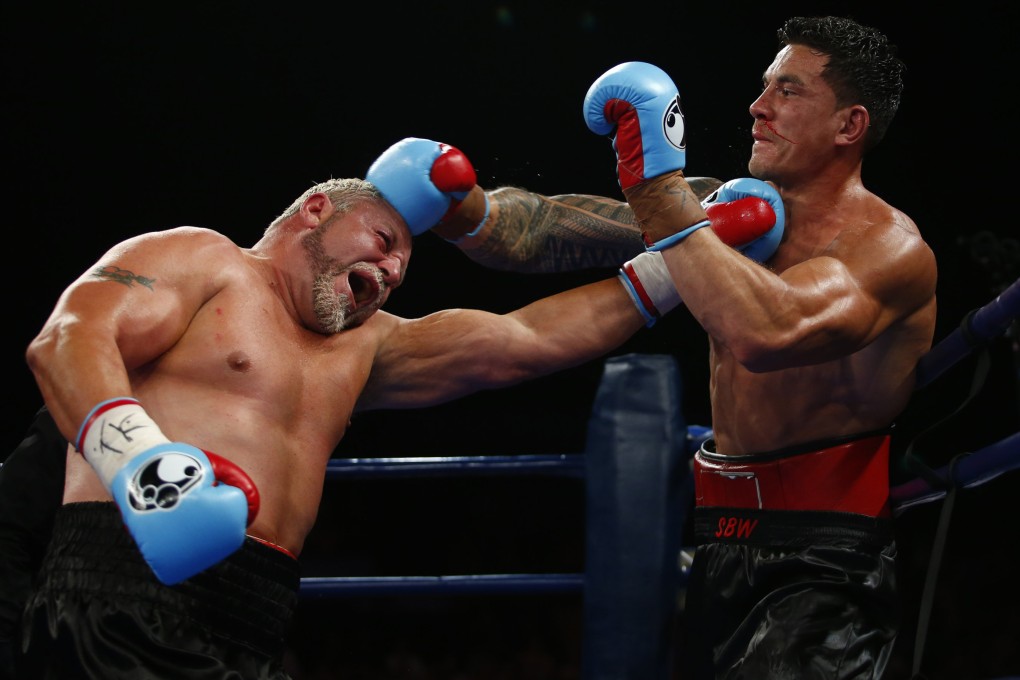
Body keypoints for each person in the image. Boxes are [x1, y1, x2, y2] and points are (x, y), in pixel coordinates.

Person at [12, 134, 778, 678]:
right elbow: (69, 338)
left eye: (400, 268)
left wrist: (683, 261)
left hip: (253, 611)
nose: (387, 270)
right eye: (380, 242)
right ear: (315, 210)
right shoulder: (205, 262)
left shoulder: (366, 347)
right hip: (124, 580)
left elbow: (525, 338)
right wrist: (139, 466)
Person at [438, 16, 937, 680]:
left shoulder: (888, 249)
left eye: (788, 91)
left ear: (849, 126)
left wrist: (662, 195)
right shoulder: (723, 212)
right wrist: (453, 205)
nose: (758, 107)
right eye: (765, 87)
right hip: (718, 538)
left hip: (820, 558)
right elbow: (549, 230)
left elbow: (768, 331)